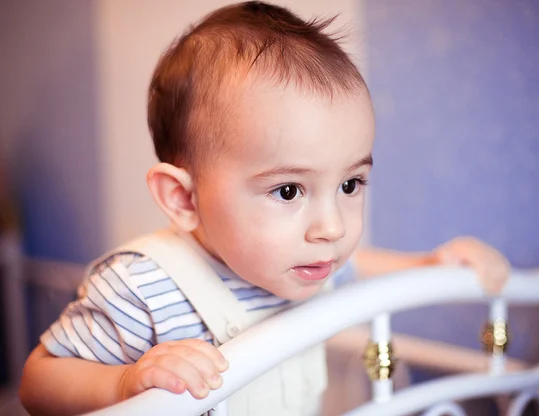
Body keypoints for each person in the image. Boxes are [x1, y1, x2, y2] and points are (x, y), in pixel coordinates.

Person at [19, 2, 510, 415]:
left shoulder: (304, 265)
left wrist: (431, 263)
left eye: (350, 183)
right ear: (184, 198)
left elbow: (357, 268)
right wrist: (124, 383)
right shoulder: (142, 287)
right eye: (289, 191)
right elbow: (37, 382)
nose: (332, 228)